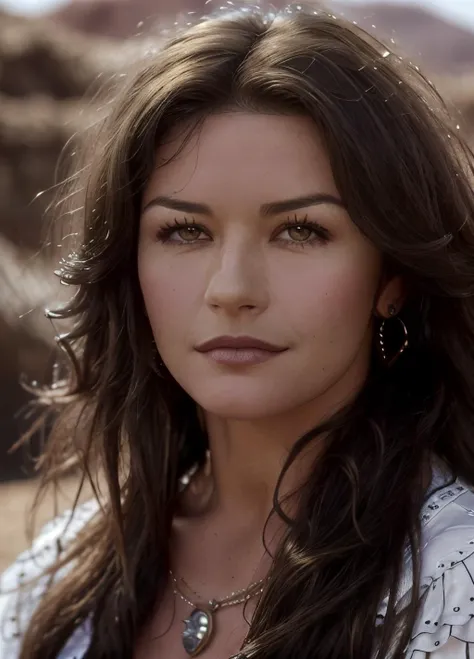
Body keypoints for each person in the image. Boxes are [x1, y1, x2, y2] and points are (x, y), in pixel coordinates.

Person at [2, 4, 474, 658]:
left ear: (393, 275)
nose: (231, 289)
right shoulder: (52, 581)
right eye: (185, 230)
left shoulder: (454, 585)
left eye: (300, 230)